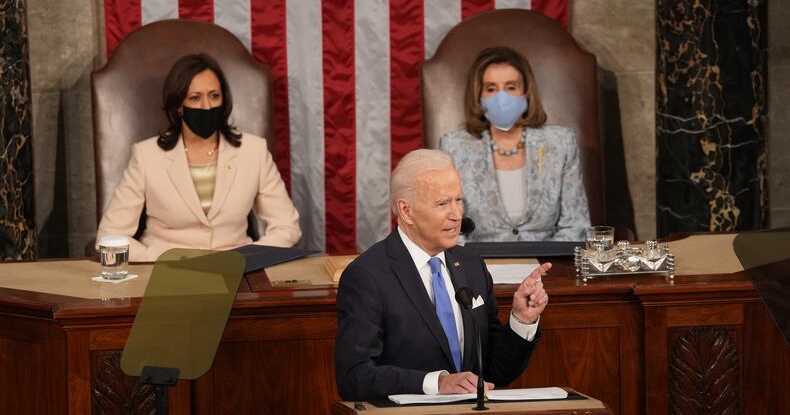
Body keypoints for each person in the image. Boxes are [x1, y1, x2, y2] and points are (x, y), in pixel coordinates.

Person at [335, 149, 550, 401]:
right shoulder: (367, 276)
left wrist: (522, 320)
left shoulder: (470, 264)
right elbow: (354, 376)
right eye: (442, 203)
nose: (457, 214)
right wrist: (435, 383)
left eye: (458, 200)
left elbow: (495, 371)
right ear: (406, 211)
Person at [96, 53, 301, 261]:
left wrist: (250, 258)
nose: (207, 106)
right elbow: (109, 235)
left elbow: (287, 226)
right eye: (195, 98)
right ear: (178, 107)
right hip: (166, 275)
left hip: (235, 273)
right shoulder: (146, 156)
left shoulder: (254, 151)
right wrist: (156, 259)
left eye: (214, 96)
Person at [439, 46, 590, 242]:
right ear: (478, 96)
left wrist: (544, 265)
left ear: (526, 92)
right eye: (491, 89)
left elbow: (576, 225)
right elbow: (449, 228)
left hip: (548, 265)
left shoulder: (560, 143)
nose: (502, 98)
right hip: (480, 265)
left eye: (511, 87)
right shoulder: (454, 147)